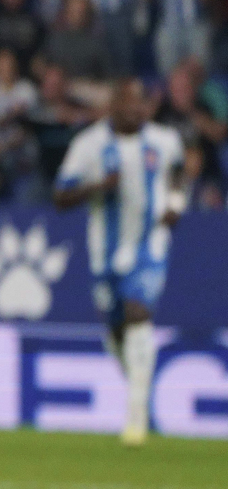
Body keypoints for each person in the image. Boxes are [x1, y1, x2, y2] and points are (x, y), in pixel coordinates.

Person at [53, 78, 186, 447]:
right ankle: (139, 390)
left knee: (137, 311)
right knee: (115, 332)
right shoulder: (89, 145)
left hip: (149, 244)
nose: (134, 110)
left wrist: (175, 204)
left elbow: (178, 172)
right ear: (112, 106)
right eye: (126, 104)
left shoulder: (164, 140)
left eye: (139, 103)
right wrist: (97, 187)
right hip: (105, 252)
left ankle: (136, 418)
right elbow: (60, 196)